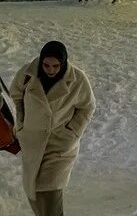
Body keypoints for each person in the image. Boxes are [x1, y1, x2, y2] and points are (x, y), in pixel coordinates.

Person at [9, 41, 95, 216]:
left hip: (59, 145)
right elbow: (16, 96)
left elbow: (87, 107)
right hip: (32, 141)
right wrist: (21, 123)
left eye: (56, 66)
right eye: (46, 65)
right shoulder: (27, 74)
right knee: (34, 193)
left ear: (63, 63)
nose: (51, 70)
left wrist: (72, 132)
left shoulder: (77, 79)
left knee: (50, 193)